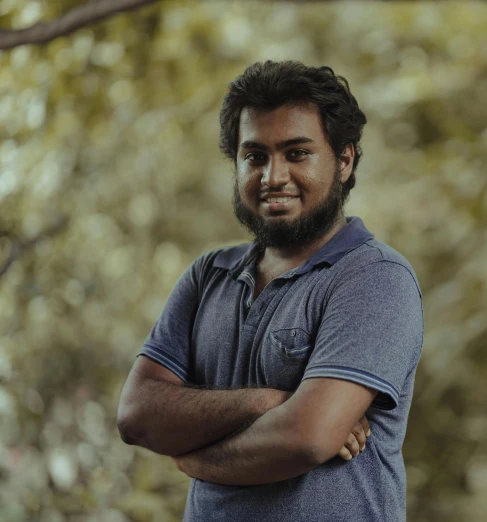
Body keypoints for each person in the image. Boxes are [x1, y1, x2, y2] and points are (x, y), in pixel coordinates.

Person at [116, 60, 424, 522]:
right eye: (255, 155)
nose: (272, 176)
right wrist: (270, 401)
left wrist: (194, 460)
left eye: (297, 153)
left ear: (344, 159)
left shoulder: (375, 278)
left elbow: (307, 437)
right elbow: (137, 414)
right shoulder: (207, 277)